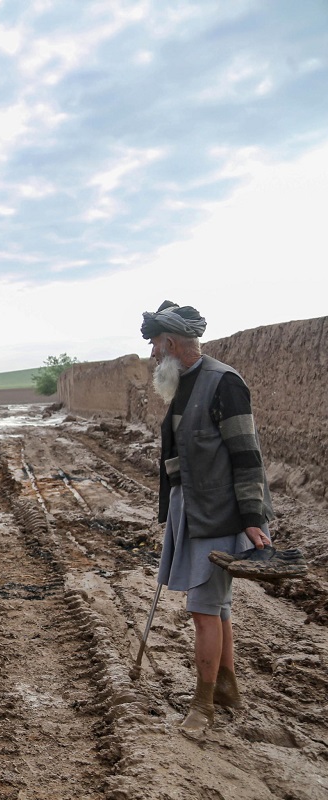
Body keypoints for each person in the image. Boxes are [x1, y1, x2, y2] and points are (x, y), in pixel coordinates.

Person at [141, 301, 274, 736]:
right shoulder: (182, 381)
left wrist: (252, 518)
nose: (153, 355)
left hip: (219, 516)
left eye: (156, 346)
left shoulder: (223, 383)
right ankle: (227, 688)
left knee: (202, 611)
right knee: (218, 608)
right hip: (190, 510)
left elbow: (247, 455)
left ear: (172, 343)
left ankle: (203, 707)